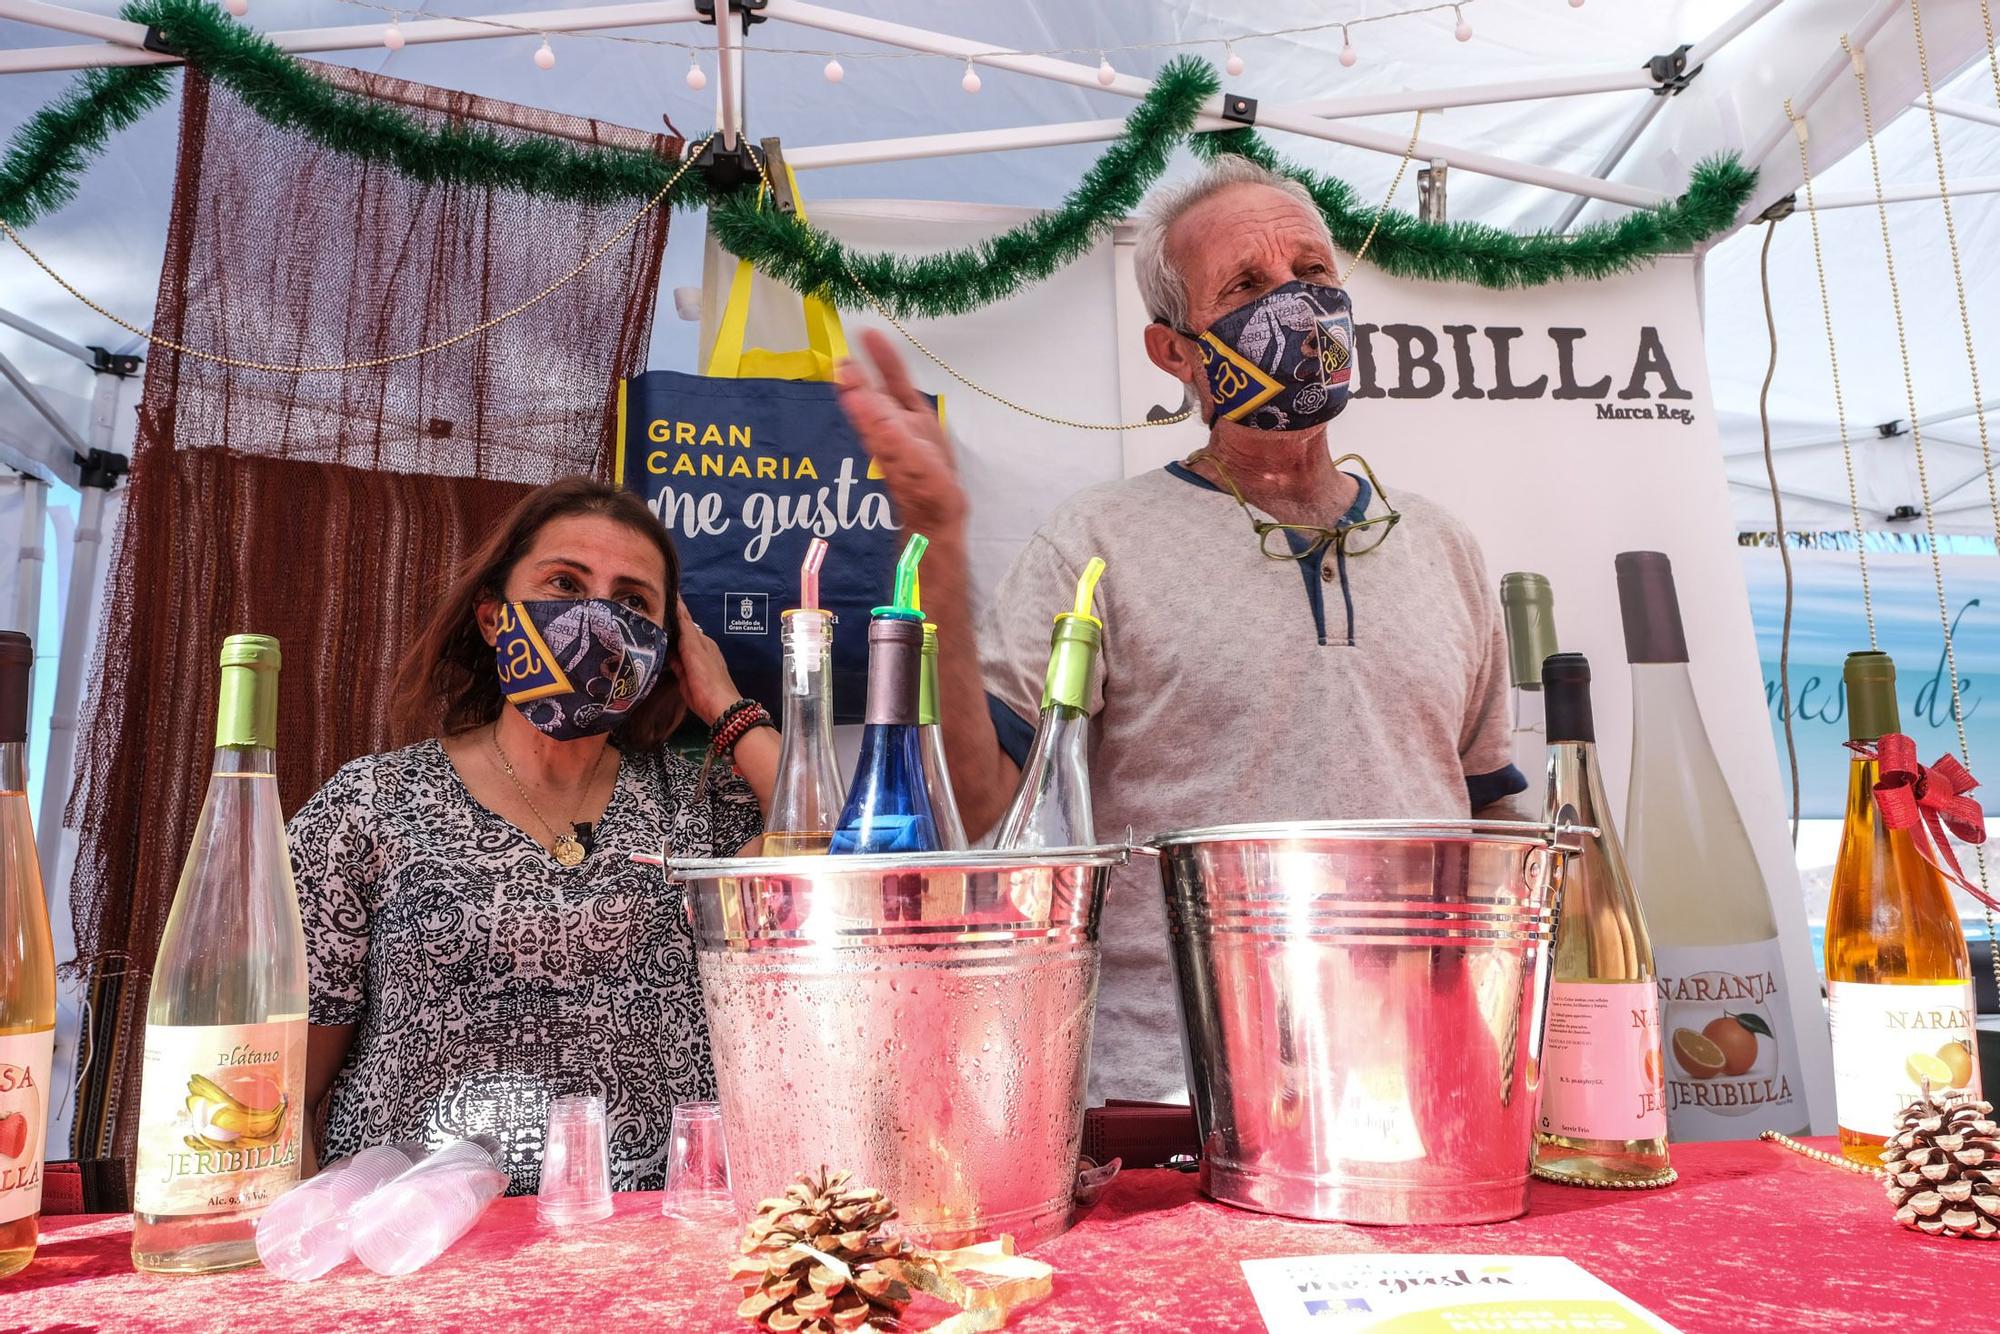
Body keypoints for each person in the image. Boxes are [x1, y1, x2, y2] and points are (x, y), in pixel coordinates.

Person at [835, 157, 1526, 1102]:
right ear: (1176, 352)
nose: (1297, 304)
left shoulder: (1445, 548)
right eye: (1247, 285)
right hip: (1171, 1100)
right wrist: (937, 539)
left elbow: (1491, 814)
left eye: (1313, 275)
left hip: (1416, 1085)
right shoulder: (1096, 543)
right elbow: (982, 798)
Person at [292, 476, 775, 1193]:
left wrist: (726, 704)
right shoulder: (368, 806)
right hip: (416, 1255)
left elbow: (852, 841)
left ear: (663, 650)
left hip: (649, 1249)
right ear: (493, 617)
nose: (597, 622)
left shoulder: (698, 805)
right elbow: (277, 1087)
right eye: (565, 583)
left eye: (632, 603)